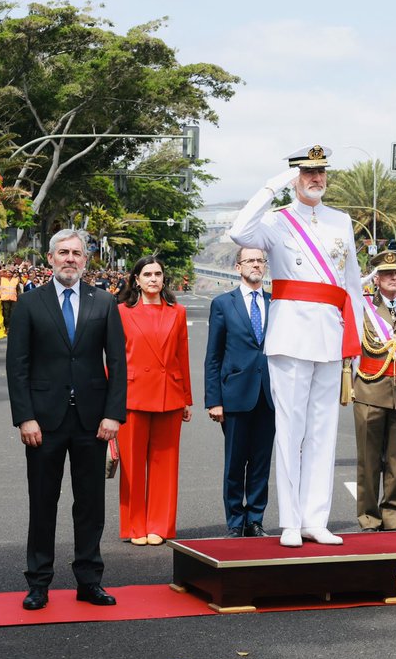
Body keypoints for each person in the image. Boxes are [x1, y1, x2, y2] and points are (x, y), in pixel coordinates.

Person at [228, 144, 363, 547]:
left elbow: (352, 285)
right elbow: (239, 232)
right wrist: (273, 186)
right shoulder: (275, 220)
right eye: (307, 173)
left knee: (323, 431)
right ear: (294, 177)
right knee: (289, 430)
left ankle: (315, 518)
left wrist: (353, 342)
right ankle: (289, 520)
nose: (316, 179)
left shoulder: (342, 221)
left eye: (321, 173)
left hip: (329, 332)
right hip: (289, 334)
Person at [6, 228, 126, 610]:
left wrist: (113, 415)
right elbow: (17, 366)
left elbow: (118, 364)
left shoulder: (104, 302)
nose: (70, 258)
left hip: (93, 421)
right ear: (50, 258)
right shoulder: (30, 303)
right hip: (44, 422)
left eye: (77, 252)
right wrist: (25, 418)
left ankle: (89, 580)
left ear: (85, 260)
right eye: (63, 252)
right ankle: (39, 582)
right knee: (43, 502)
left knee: (90, 504)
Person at [115, 255, 192, 546]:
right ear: (136, 279)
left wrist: (186, 398)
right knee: (132, 466)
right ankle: (135, 527)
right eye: (147, 274)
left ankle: (160, 525)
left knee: (165, 463)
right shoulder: (122, 312)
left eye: (158, 273)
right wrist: (111, 401)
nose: (153, 279)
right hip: (132, 395)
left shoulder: (178, 312)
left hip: (168, 394)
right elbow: (113, 359)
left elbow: (181, 356)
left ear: (164, 278)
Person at [204, 246, 275, 538]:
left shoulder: (276, 302)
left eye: (260, 261)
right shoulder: (223, 303)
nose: (255, 265)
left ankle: (255, 519)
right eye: (250, 261)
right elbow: (213, 355)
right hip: (234, 396)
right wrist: (214, 400)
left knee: (261, 463)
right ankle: (235, 521)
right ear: (238, 267)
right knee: (235, 463)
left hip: (269, 395)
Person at [354, 250, 396, 531]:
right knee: (368, 460)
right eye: (387, 273)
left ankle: (393, 517)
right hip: (369, 390)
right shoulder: (362, 307)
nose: (393, 278)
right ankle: (368, 518)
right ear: (376, 278)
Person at [0, 266, 20, 331]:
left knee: (13, 314)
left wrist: (19, 299)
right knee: (6, 314)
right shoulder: (2, 279)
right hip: (5, 299)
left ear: (12, 273)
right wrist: (1, 271)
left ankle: (11, 327)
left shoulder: (16, 280)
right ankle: (7, 327)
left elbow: (18, 290)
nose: (8, 273)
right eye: (7, 272)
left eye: (10, 272)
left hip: (14, 299)